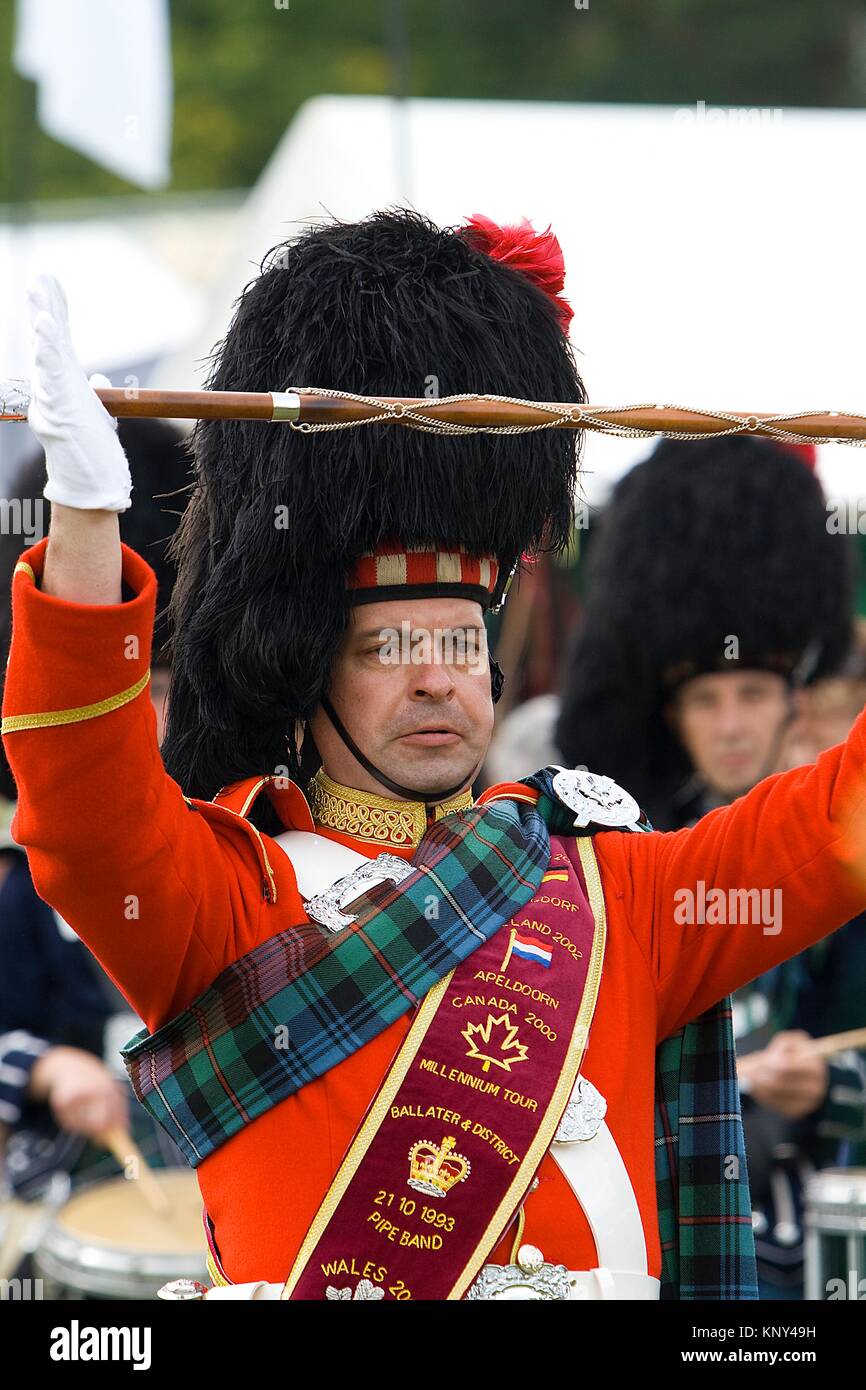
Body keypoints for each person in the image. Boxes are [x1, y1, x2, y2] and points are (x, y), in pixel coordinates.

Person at [6, 209, 866, 1303]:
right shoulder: (228, 898)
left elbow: (839, 821)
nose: (435, 674)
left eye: (458, 640)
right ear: (311, 667)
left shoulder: (619, 893)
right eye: (387, 646)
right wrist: (83, 525)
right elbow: (82, 821)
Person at [557, 437, 866, 1299]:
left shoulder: (852, 851)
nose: (731, 724)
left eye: (753, 694)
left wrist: (833, 1086)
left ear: (794, 702)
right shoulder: (628, 859)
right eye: (706, 698)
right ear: (674, 715)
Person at [0, 423, 188, 1226]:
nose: (140, 722)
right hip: (66, 1187)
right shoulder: (17, 872)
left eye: (159, 691)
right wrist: (44, 1069)